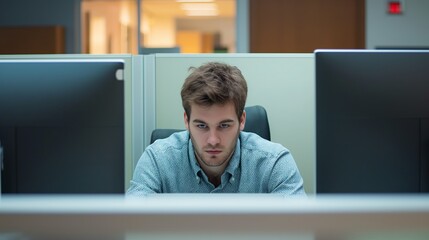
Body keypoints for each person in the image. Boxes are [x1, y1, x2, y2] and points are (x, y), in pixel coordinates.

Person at [127, 62, 305, 195]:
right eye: (202, 126)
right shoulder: (158, 160)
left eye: (224, 125)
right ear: (186, 121)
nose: (213, 140)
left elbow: (299, 230)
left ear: (242, 120)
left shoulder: (274, 163)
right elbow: (131, 227)